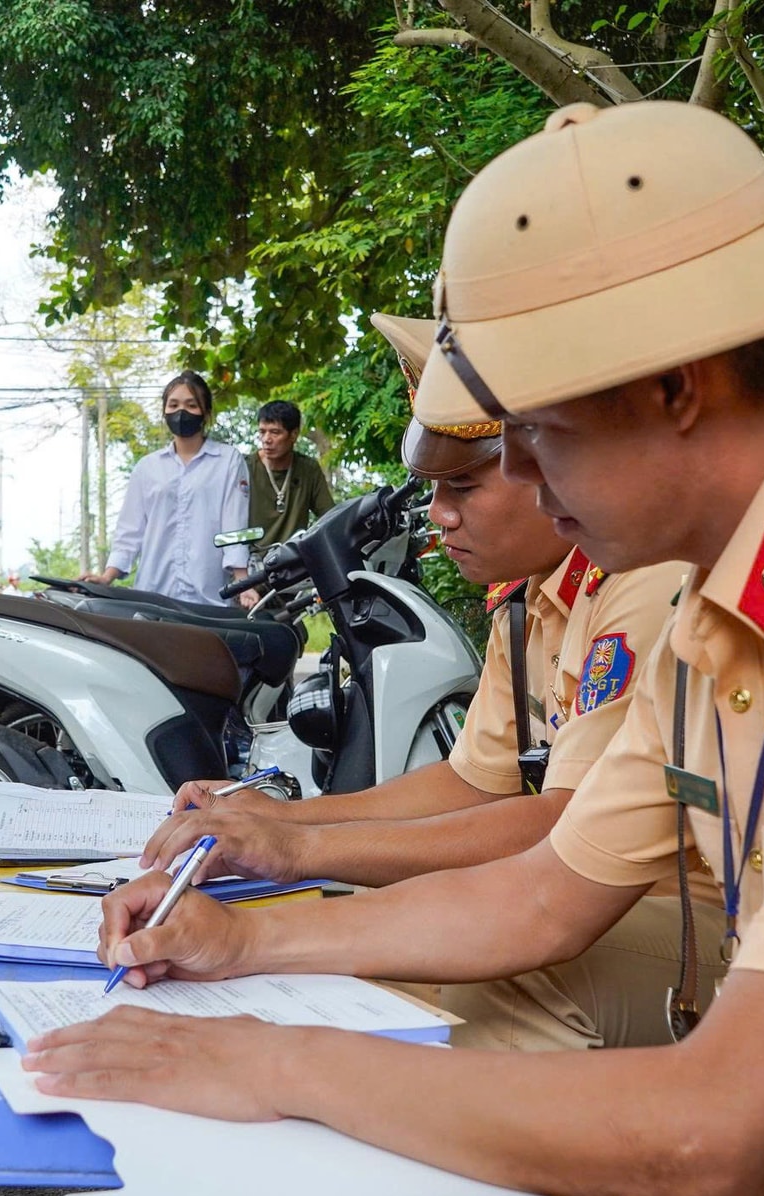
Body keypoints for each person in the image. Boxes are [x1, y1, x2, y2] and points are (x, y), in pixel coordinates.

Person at [19, 102, 764, 1196]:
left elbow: (720, 1127)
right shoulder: (714, 618)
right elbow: (542, 891)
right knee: (295, 1177)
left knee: (303, 1135)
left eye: (535, 427)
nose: (516, 469)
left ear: (676, 385)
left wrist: (277, 1061)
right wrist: (241, 940)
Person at [156, 312, 706, 1052]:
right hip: (606, 897)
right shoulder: (531, 599)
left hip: (693, 917)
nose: (440, 517)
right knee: (373, 919)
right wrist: (288, 822)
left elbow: (562, 827)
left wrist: (296, 846)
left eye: (464, 486)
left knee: (498, 974)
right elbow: (474, 783)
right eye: (434, 489)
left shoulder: (640, 584)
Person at [83, 370, 255, 608]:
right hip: (153, 595)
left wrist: (243, 582)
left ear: (206, 412)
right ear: (164, 411)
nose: (181, 412)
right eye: (173, 405)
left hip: (209, 598)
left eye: (191, 405)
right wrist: (106, 577)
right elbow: (129, 532)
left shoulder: (228, 461)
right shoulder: (147, 467)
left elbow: (234, 526)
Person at [246, 399, 334, 548]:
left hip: (292, 557)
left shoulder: (308, 469)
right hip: (250, 557)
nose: (266, 439)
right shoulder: (244, 467)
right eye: (262, 432)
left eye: (275, 432)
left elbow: (330, 516)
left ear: (294, 435)